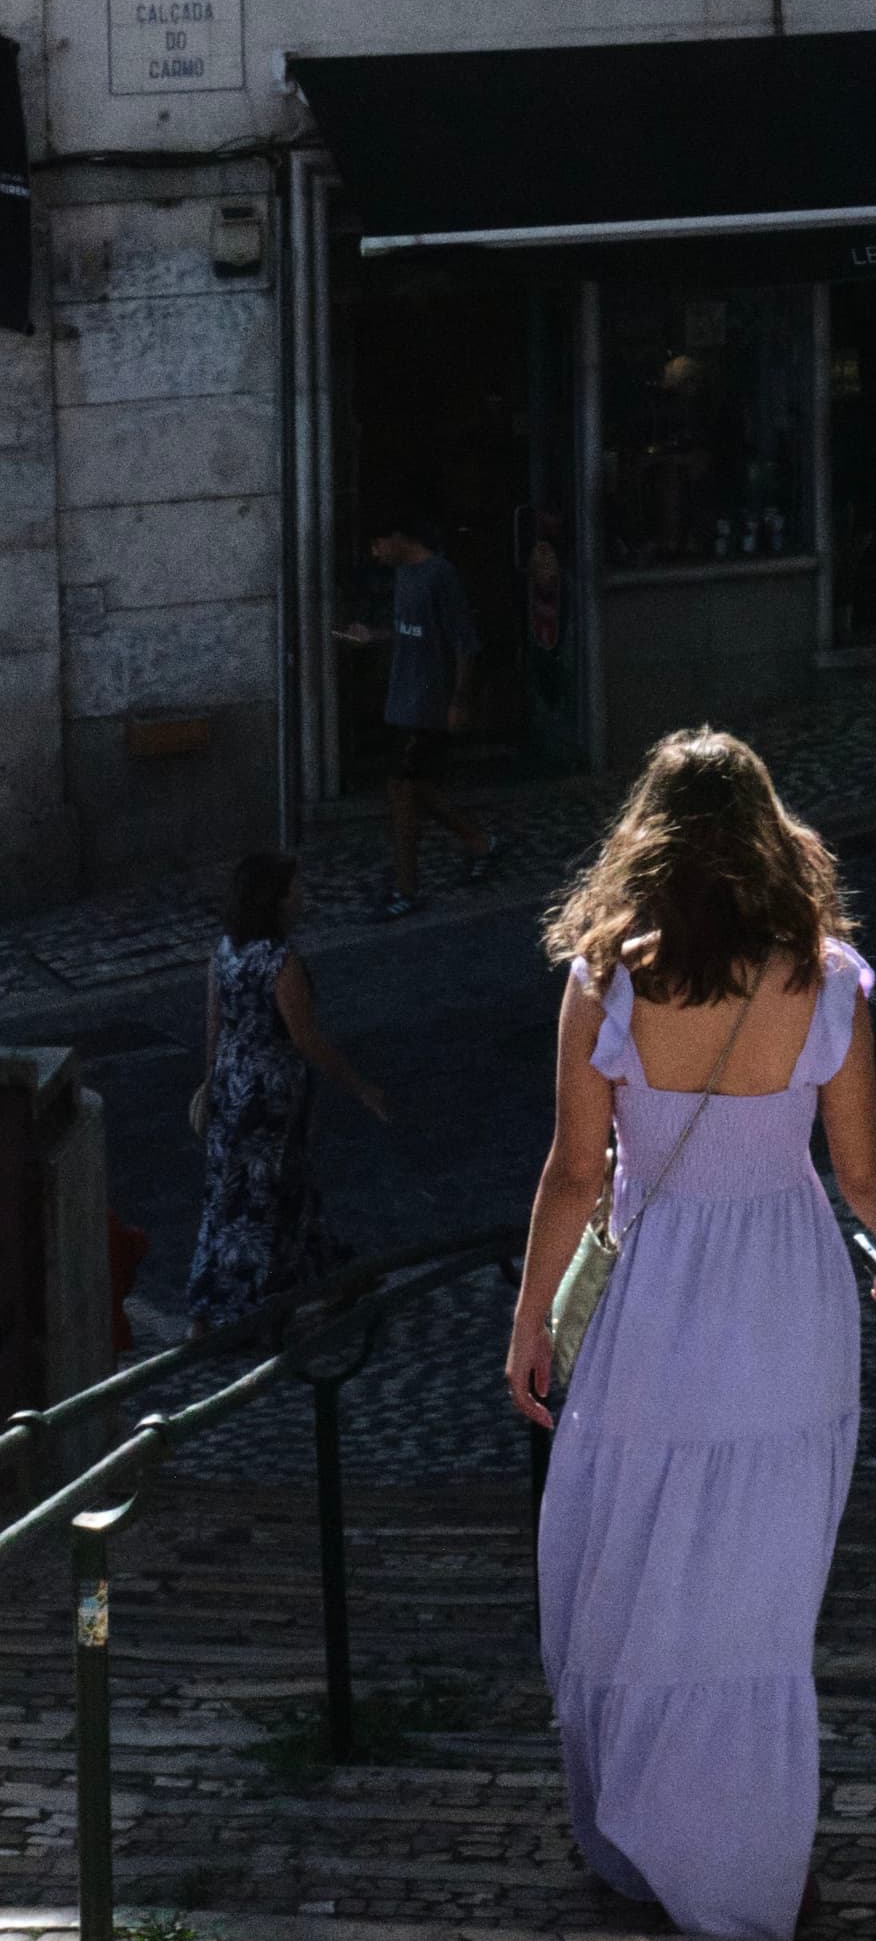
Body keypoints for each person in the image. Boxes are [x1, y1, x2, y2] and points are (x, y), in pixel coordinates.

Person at [505, 727, 876, 1936]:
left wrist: (530, 1319)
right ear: (766, 834)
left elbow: (574, 1173)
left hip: (655, 1293)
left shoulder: (603, 980)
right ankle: (751, 1856)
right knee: (759, 1588)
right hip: (785, 1289)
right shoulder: (827, 978)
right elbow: (862, 1164)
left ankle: (641, 1836)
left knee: (631, 1554)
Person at [187, 853, 388, 1331]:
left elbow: (214, 1028)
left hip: (232, 1088)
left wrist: (212, 1084)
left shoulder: (224, 954)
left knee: (230, 1197)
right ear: (274, 900)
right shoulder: (280, 962)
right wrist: (360, 1087)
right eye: (294, 889)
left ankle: (223, 1301)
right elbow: (305, 1037)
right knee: (271, 1198)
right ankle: (257, 1308)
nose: (302, 897)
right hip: (270, 1097)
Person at [335, 509, 498, 918]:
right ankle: (478, 841)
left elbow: (464, 641)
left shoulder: (439, 575)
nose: (375, 554)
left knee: (403, 793)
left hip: (428, 703)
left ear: (397, 536)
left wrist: (458, 701)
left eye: (376, 544)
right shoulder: (403, 577)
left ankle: (407, 889)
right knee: (413, 791)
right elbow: (412, 631)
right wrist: (374, 636)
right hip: (402, 700)